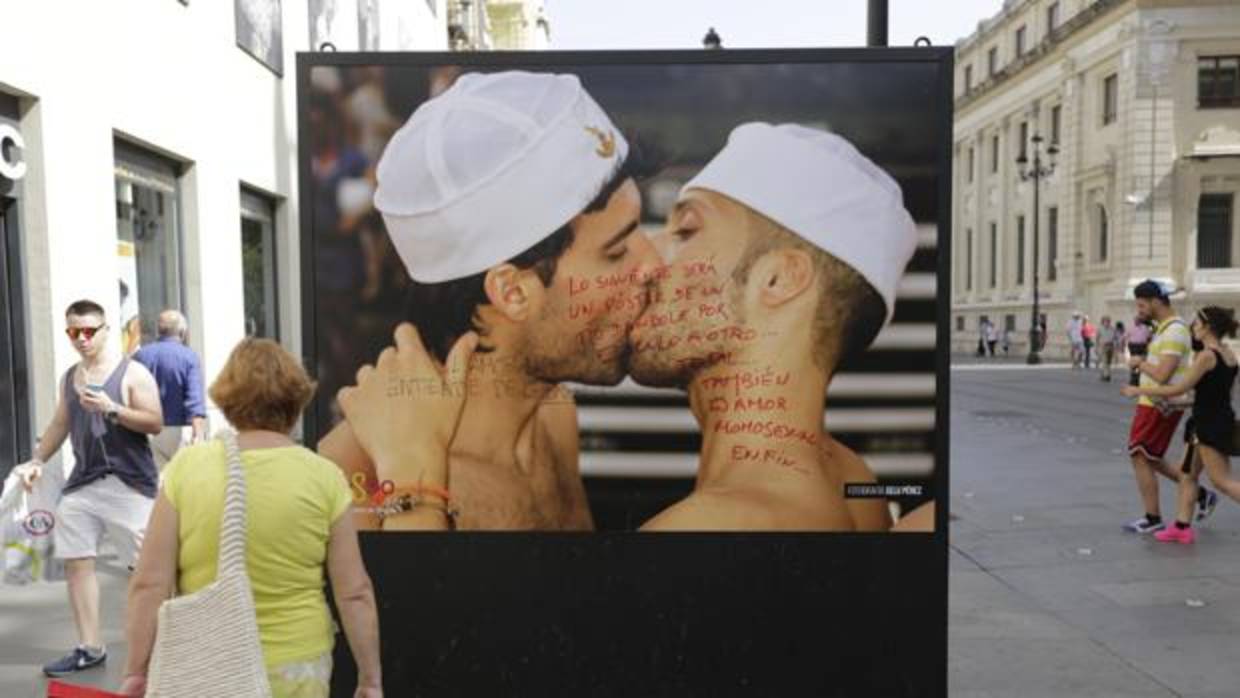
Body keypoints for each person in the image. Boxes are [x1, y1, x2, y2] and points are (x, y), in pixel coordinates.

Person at [318, 70, 661, 530]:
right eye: (616, 250)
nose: (654, 264)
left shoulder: (554, 417)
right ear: (512, 291)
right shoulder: (352, 477)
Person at [624, 123, 919, 530]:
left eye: (686, 230)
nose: (646, 262)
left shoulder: (706, 527)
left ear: (780, 279)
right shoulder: (855, 483)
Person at [119, 339, 383, 698]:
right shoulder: (324, 477)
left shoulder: (187, 469)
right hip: (297, 664)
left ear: (228, 401)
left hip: (210, 663)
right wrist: (370, 679)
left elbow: (149, 583)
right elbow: (354, 593)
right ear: (296, 402)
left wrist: (136, 670)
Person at [13, 300, 163, 677]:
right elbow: (59, 425)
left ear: (105, 330)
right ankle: (90, 647)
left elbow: (155, 422)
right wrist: (36, 460)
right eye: (72, 332)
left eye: (88, 331)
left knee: (146, 571)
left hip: (130, 484)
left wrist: (113, 409)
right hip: (84, 484)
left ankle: (169, 642)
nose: (80, 339)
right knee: (77, 563)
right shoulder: (70, 378)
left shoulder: (133, 373)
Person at [1123, 306, 1237, 544]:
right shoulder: (1229, 355)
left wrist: (1139, 389)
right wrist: (1177, 406)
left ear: (1206, 327)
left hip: (1208, 425)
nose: (1193, 328)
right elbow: (1209, 395)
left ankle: (1181, 526)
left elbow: (1180, 387)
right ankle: (1181, 527)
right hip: (1212, 420)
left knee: (1221, 481)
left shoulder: (1207, 356)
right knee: (1187, 475)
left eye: (1196, 324)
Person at [132, 309, 208, 469]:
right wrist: (199, 434)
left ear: (158, 330)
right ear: (182, 331)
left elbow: (130, 394)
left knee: (157, 486)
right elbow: (194, 400)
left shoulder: (140, 356)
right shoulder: (189, 357)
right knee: (183, 486)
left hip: (148, 431)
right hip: (181, 431)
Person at [1126, 317, 1152, 387]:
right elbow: (1126, 336)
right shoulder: (1131, 327)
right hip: (1133, 346)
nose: (1136, 321)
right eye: (1135, 320)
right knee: (1134, 363)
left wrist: (1147, 345)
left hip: (1141, 346)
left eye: (1138, 320)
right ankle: (1133, 379)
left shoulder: (1145, 328)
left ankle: (1138, 379)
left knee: (1140, 363)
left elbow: (1149, 337)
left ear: (1140, 321)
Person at [1097, 315, 1117, 381]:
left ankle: (1105, 374)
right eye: (1106, 321)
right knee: (1104, 361)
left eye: (1108, 321)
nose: (1107, 322)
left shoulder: (1113, 329)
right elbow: (1097, 338)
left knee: (1108, 362)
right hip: (1103, 346)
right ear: (1103, 322)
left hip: (1111, 346)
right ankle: (1107, 376)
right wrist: (1097, 346)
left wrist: (1115, 346)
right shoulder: (1100, 329)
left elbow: (1115, 338)